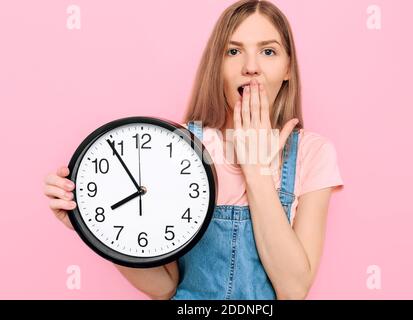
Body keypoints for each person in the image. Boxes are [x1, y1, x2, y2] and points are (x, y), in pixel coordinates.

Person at [43, 0, 344, 300]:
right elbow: (166, 287)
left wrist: (256, 170)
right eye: (233, 51)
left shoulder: (313, 153)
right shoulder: (178, 148)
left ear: (288, 67)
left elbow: (293, 290)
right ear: (218, 64)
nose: (251, 67)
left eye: (268, 51)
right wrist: (94, 228)